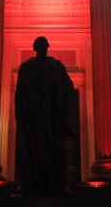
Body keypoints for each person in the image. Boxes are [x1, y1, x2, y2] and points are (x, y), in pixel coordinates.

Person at [14, 36, 75, 197]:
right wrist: (20, 114)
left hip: (52, 116)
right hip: (33, 117)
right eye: (39, 45)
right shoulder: (26, 67)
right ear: (35, 48)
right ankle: (27, 184)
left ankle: (60, 185)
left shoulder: (56, 66)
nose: (42, 48)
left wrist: (57, 86)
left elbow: (68, 86)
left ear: (47, 47)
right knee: (31, 151)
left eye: (44, 45)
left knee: (56, 150)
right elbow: (20, 92)